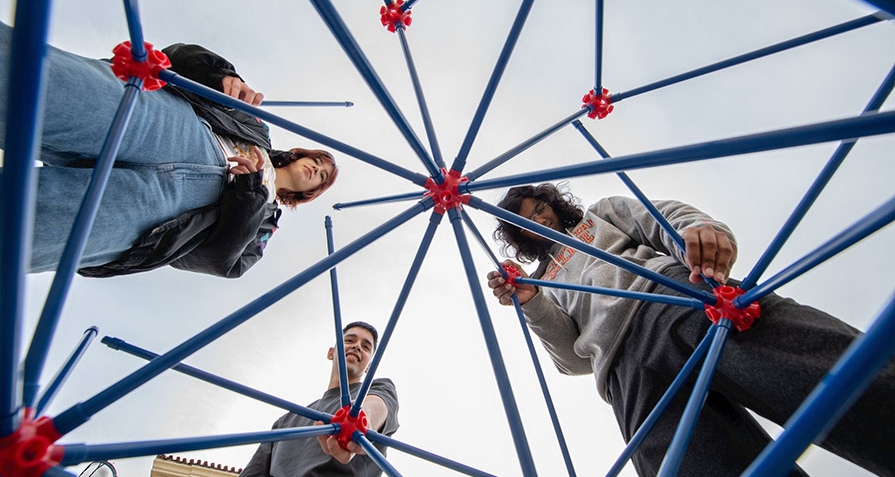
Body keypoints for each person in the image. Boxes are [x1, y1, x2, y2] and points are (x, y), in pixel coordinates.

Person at [486, 183, 895, 477]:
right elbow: (572, 360)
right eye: (525, 221)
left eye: (540, 209)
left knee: (810, 369)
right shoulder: (541, 282)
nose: (539, 219)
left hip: (677, 301)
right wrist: (531, 301)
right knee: (690, 465)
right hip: (623, 369)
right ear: (519, 235)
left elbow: (660, 218)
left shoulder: (600, 215)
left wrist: (698, 233)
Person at [0, 21, 338, 278]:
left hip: (159, 215)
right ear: (301, 154)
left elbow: (215, 262)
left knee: (29, 225)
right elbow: (178, 58)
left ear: (309, 194)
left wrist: (248, 200)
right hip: (171, 124)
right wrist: (221, 76)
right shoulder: (257, 127)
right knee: (45, 88)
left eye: (320, 178)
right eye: (318, 161)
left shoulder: (264, 225)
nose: (315, 170)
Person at [239, 321, 399, 477]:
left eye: (366, 347)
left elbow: (378, 406)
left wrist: (362, 421)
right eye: (350, 340)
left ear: (369, 366)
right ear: (331, 352)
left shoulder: (378, 389)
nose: (357, 346)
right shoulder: (286, 421)